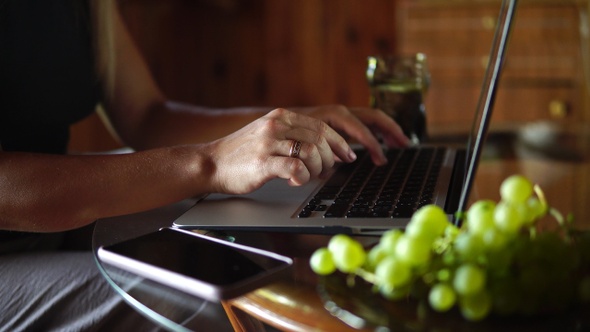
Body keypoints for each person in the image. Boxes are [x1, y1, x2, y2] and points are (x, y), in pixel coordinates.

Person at [0, 0, 409, 331]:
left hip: (54, 224)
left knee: (248, 234)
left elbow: (147, 117)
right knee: (188, 300)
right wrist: (210, 162)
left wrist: (295, 124)